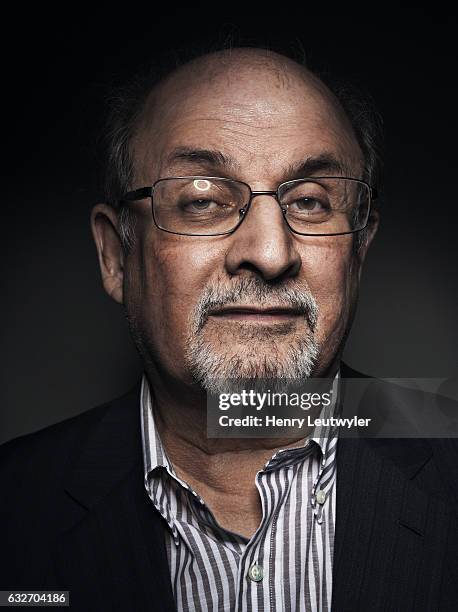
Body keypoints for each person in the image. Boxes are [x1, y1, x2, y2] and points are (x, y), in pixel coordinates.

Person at [1, 46, 457, 612]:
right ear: (115, 255)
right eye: (203, 201)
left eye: (311, 202)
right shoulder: (13, 509)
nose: (269, 253)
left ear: (359, 249)